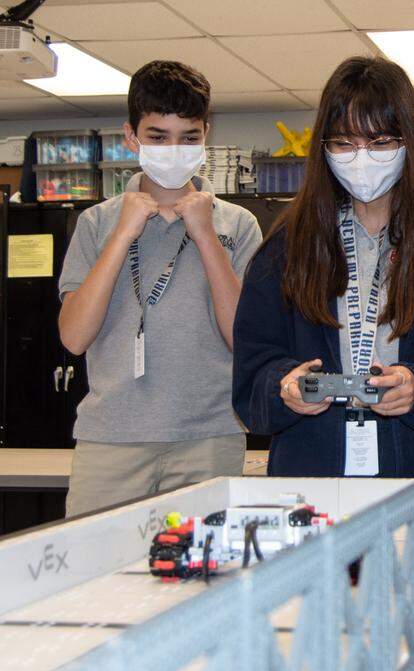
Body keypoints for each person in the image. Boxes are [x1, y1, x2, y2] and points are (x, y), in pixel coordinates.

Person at [232, 56, 414, 477]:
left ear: (410, 142)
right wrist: (282, 387)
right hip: (312, 471)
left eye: (380, 143)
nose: (361, 158)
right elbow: (252, 371)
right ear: (323, 148)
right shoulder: (289, 244)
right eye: (344, 144)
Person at [57, 60, 262, 516]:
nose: (174, 150)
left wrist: (206, 235)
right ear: (131, 137)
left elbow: (244, 337)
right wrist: (123, 233)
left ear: (205, 135)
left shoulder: (238, 224)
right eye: (158, 137)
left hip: (209, 436)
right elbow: (73, 337)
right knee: (98, 560)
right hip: (111, 436)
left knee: (207, 562)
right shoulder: (96, 223)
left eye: (188, 138)